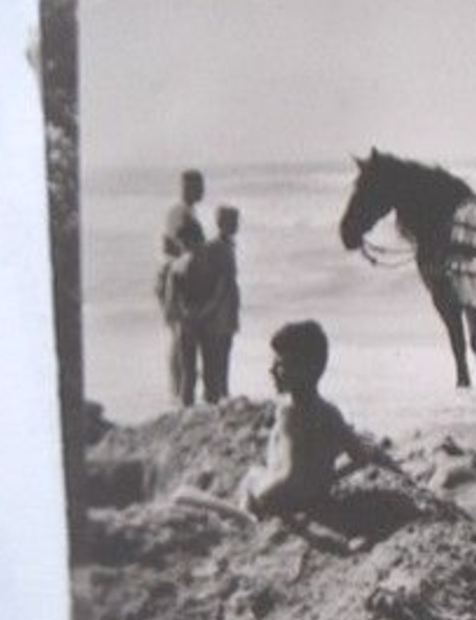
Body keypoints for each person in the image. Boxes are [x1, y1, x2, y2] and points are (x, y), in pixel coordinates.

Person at [238, 320, 393, 519]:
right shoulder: (330, 412)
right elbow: (360, 457)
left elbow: (289, 476)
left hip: (283, 499)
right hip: (317, 497)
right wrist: (326, 478)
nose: (271, 370)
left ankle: (245, 516)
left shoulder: (288, 413)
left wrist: (264, 494)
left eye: (280, 364)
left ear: (307, 370)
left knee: (251, 476)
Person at [159, 169, 206, 401]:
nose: (201, 191)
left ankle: (179, 389)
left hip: (179, 272)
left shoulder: (189, 211)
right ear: (185, 188)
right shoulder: (179, 212)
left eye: (200, 186)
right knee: (179, 336)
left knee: (181, 337)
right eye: (196, 187)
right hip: (176, 275)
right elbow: (168, 245)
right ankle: (177, 389)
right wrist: (190, 256)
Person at [194, 205, 241, 403]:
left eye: (236, 221)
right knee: (214, 360)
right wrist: (206, 311)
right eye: (232, 221)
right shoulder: (214, 248)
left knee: (221, 358)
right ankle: (215, 397)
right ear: (221, 223)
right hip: (217, 314)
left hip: (225, 312)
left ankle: (220, 395)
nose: (236, 225)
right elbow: (215, 283)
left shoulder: (225, 246)